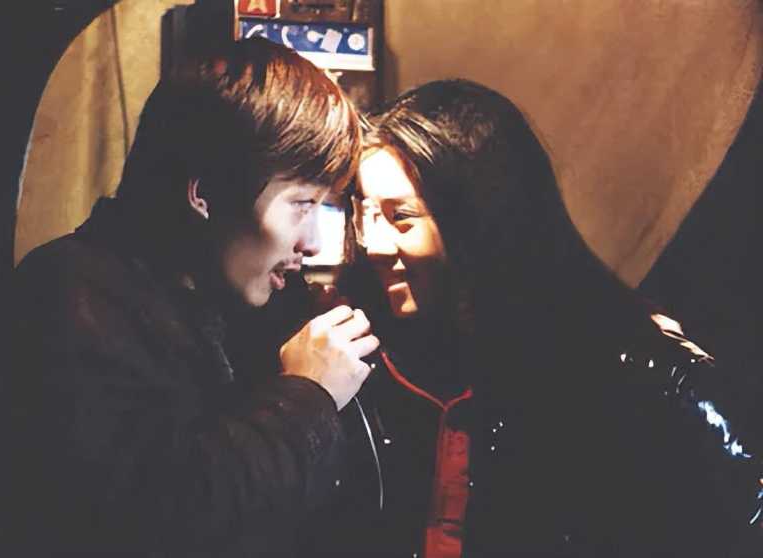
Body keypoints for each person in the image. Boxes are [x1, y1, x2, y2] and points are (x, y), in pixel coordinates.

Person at [307, 79, 763, 557]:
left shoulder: (637, 368)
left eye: (401, 217)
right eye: (365, 214)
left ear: (478, 216)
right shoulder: (357, 359)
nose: (374, 245)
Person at [0, 38, 379, 557]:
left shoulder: (230, 297)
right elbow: (156, 518)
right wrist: (307, 395)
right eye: (301, 205)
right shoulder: (67, 296)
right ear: (206, 193)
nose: (311, 243)